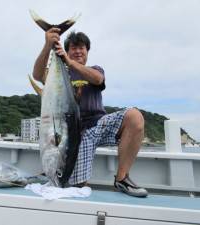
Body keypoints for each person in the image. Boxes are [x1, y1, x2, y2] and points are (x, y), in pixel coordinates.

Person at [33, 28, 148, 197]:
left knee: (134, 116)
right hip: (74, 133)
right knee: (77, 186)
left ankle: (122, 179)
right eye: (73, 48)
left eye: (82, 48)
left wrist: (70, 62)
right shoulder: (58, 75)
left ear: (87, 51)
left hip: (98, 125)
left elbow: (98, 79)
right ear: (67, 50)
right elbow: (37, 75)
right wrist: (48, 45)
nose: (78, 51)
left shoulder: (94, 69)